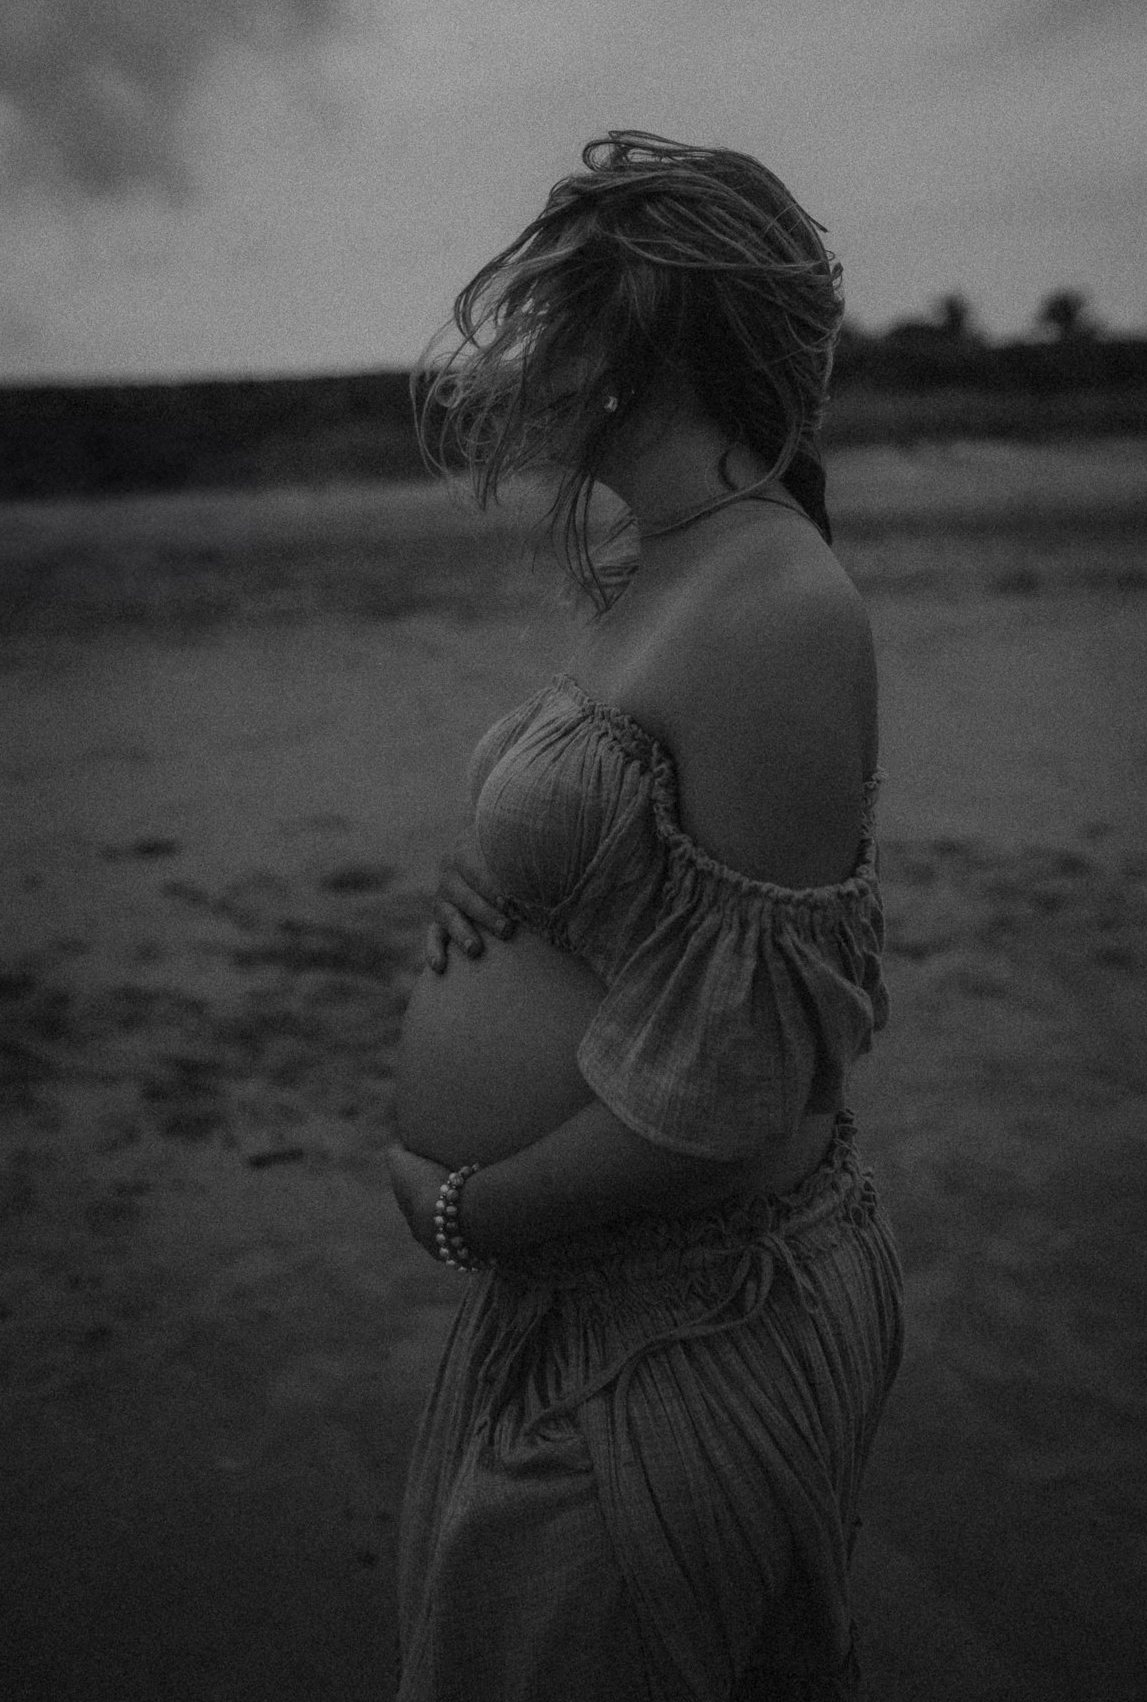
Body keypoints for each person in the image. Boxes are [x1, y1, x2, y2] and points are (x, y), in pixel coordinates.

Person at [384, 130, 903, 1701]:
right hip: (592, 1306)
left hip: (681, 1309)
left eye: (555, 310)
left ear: (647, 339)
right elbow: (647, 871)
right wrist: (507, 862)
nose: (519, 351)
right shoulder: (660, 571)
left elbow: (750, 1091)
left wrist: (462, 1208)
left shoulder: (777, 604)